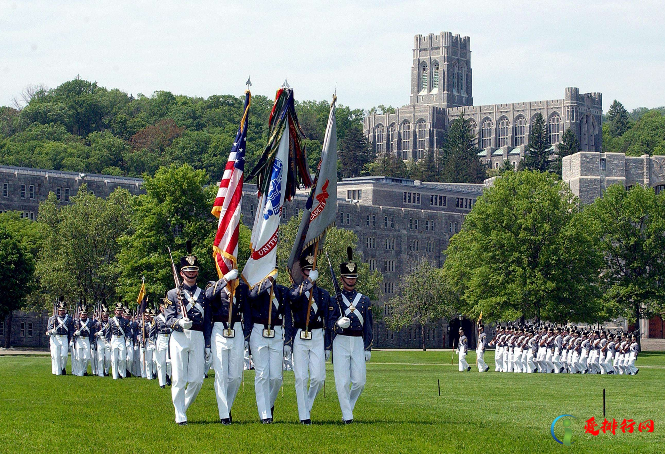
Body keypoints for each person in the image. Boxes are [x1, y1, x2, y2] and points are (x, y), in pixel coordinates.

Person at [286, 246, 334, 424]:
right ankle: (304, 415)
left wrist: (328, 345)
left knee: (318, 378)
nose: (308, 273)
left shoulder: (323, 294)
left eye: (311, 270)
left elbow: (328, 321)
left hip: (317, 336)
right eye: (306, 270)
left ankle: (306, 405)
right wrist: (308, 285)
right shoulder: (296, 290)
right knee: (301, 377)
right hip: (300, 335)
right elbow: (293, 298)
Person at [165, 244, 211, 425]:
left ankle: (181, 406)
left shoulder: (204, 294)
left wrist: (207, 344)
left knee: (197, 379)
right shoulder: (172, 293)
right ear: (182, 272)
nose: (191, 274)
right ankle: (180, 415)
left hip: (198, 336)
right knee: (178, 378)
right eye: (187, 271)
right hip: (179, 336)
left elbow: (208, 321)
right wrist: (178, 323)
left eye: (194, 270)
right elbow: (168, 318)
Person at [330, 247, 373, 424]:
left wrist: (368, 347)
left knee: (360, 382)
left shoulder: (364, 300)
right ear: (341, 279)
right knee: (342, 382)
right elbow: (329, 324)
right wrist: (337, 324)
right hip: (340, 341)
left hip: (357, 341)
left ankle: (348, 407)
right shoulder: (334, 300)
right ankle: (347, 416)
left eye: (353, 277)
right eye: (348, 277)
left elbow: (369, 325)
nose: (351, 280)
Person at [244, 273, 289, 424]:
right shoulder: (256, 289)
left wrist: (288, 340)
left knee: (276, 377)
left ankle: (268, 404)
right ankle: (265, 414)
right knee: (262, 374)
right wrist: (265, 284)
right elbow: (251, 297)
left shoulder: (282, 291)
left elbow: (288, 316)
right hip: (258, 331)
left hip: (276, 332)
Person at [206, 268, 245, 425]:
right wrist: (224, 280)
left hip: (236, 328)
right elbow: (208, 296)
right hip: (219, 329)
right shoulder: (214, 285)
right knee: (221, 374)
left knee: (235, 376)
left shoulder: (240, 287)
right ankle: (224, 415)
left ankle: (227, 406)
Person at [46, 298, 73, 375]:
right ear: (58, 310)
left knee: (64, 356)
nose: (62, 312)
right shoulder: (53, 318)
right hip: (56, 338)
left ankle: (62, 367)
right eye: (60, 310)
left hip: (64, 338)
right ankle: (58, 371)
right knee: (56, 356)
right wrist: (52, 331)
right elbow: (49, 329)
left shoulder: (69, 319)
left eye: (63, 310)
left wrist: (71, 339)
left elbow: (70, 330)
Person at [154, 299, 173, 388]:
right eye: (163, 307)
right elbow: (152, 332)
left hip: (169, 338)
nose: (164, 309)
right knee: (161, 363)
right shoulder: (156, 318)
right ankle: (162, 382)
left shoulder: (170, 317)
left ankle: (168, 376)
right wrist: (152, 342)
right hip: (161, 339)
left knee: (169, 362)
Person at [109, 302, 130, 379]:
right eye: (118, 310)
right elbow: (108, 332)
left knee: (122, 358)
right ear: (115, 311)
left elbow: (128, 331)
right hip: (114, 338)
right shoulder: (111, 320)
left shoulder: (125, 321)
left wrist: (128, 339)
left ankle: (122, 374)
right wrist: (107, 341)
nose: (119, 312)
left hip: (121, 339)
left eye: (121, 310)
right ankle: (115, 375)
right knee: (114, 358)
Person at [72, 305, 94, 376]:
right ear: (80, 314)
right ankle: (80, 371)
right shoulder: (76, 322)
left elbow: (92, 333)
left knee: (87, 358)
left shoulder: (90, 322)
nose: (83, 315)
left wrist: (92, 342)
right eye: (82, 314)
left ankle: (84, 370)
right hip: (79, 339)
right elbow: (71, 331)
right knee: (79, 357)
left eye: (85, 314)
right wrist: (75, 334)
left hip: (86, 340)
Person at [94, 305, 111, 377]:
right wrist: (98, 333)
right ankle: (100, 372)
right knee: (100, 358)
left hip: (108, 341)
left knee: (108, 359)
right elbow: (93, 333)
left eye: (106, 315)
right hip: (100, 341)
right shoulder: (98, 323)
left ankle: (106, 371)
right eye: (104, 315)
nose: (105, 316)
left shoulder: (110, 323)